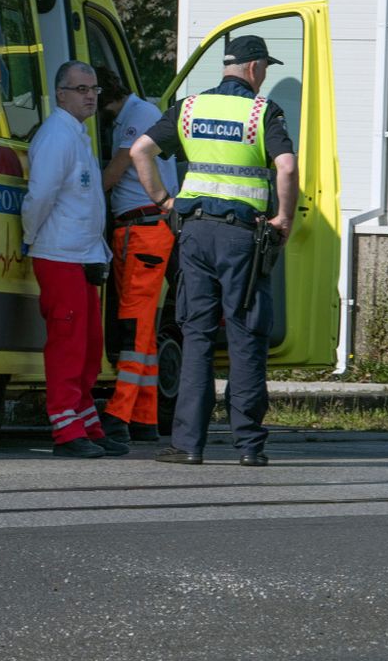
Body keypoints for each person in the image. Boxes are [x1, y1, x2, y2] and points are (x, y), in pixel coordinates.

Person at [129, 34, 297, 467]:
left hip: (194, 233)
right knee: (245, 335)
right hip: (242, 237)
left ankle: (188, 444)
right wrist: (284, 218)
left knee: (197, 337)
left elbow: (140, 150)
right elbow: (286, 166)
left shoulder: (188, 107)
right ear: (254, 67)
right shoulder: (262, 112)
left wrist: (163, 201)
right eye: (265, 69)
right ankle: (249, 447)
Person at [21, 61, 126, 459]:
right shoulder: (57, 136)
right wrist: (31, 237)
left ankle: (85, 423)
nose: (90, 96)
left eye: (94, 89)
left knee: (87, 347)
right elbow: (41, 195)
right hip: (59, 254)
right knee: (68, 346)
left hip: (81, 255)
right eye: (81, 89)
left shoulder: (77, 135)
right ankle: (66, 429)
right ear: (60, 94)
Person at [93, 67, 179, 444]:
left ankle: (119, 413)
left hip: (143, 230)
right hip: (142, 230)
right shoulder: (135, 114)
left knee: (134, 325)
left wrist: (78, 193)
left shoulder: (139, 115)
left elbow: (114, 174)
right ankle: (144, 416)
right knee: (142, 328)